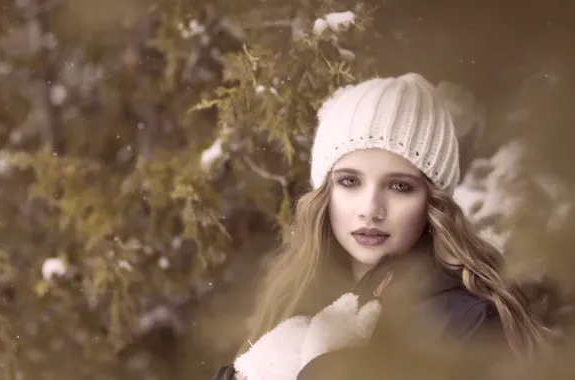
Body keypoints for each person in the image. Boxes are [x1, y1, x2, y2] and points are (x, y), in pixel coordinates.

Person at [211, 73, 549, 380]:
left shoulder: (470, 322)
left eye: (399, 186)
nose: (370, 210)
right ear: (325, 193)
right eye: (350, 181)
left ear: (432, 202)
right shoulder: (298, 293)